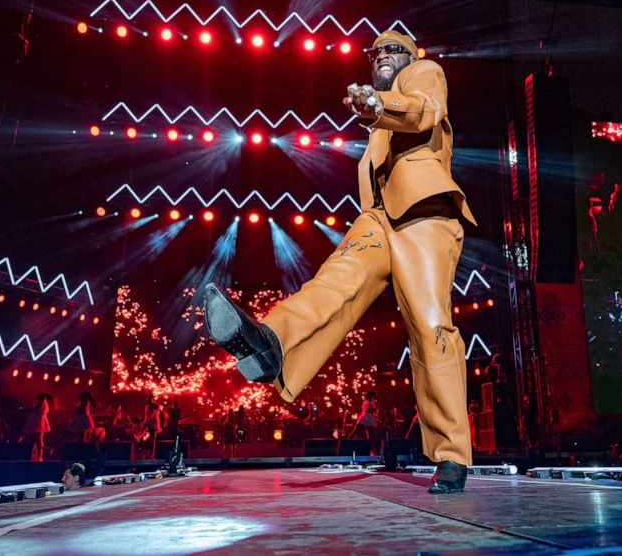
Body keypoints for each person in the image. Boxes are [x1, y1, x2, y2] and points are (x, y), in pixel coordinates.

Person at [203, 30, 475, 493]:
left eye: (391, 51)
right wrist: (376, 113)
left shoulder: (425, 74)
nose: (381, 59)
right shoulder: (375, 124)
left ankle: (451, 455)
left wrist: (380, 108)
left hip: (424, 214)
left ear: (408, 56)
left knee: (430, 327)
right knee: (332, 285)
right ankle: (269, 341)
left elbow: (425, 112)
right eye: (375, 54)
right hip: (377, 219)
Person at [21, 392, 52, 462]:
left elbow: (35, 409)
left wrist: (23, 410)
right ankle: (37, 456)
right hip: (38, 422)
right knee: (37, 439)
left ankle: (39, 457)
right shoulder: (43, 403)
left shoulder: (43, 403)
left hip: (39, 422)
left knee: (39, 440)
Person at [348, 390, 380, 455]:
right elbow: (369, 409)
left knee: (370, 433)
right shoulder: (368, 402)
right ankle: (348, 440)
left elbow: (371, 409)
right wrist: (374, 409)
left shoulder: (370, 402)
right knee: (357, 430)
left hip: (368, 417)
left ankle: (371, 447)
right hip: (366, 416)